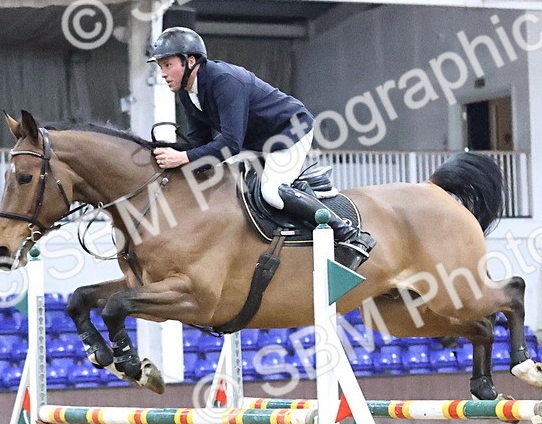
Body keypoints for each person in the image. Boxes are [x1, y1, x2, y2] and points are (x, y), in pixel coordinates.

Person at [149, 27, 375, 271]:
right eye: (160, 66)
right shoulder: (187, 92)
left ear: (190, 61)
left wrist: (182, 157)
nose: (163, 73)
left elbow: (229, 144)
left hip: (289, 131)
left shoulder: (224, 81)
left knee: (273, 192)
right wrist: (166, 152)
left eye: (167, 65)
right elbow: (199, 140)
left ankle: (348, 234)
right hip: (256, 143)